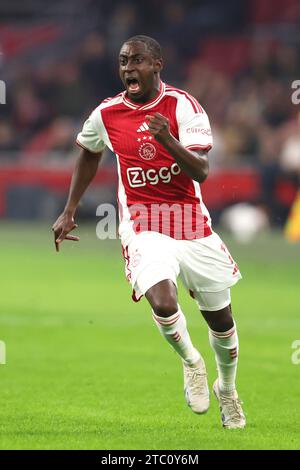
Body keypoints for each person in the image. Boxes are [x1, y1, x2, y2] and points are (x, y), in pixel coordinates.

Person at [52, 35, 246, 429]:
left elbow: (202, 172)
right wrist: (70, 209)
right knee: (161, 300)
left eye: (137, 60)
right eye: (123, 61)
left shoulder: (183, 106)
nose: (128, 69)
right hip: (143, 223)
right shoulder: (106, 114)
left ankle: (227, 390)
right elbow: (90, 151)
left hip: (191, 223)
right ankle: (191, 362)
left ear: (158, 64)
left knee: (222, 323)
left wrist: (166, 139)